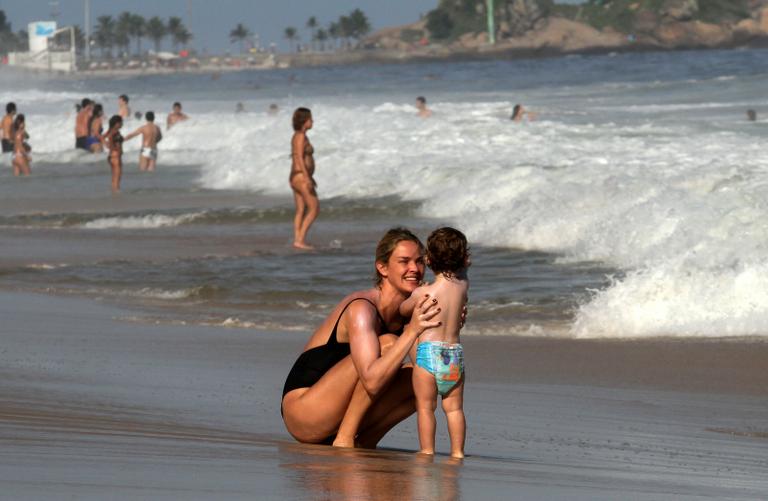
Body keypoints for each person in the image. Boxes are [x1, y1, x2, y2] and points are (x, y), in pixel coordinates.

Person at [281, 227, 442, 448]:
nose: (414, 268)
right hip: (304, 413)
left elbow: (425, 364)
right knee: (387, 344)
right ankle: (345, 439)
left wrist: (446, 321)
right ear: (382, 267)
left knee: (425, 379)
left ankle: (365, 441)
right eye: (404, 261)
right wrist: (412, 331)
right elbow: (372, 381)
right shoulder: (362, 308)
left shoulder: (408, 313)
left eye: (420, 261)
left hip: (336, 415)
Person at [400, 227, 470, 458]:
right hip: (454, 355)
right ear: (464, 258)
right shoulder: (463, 285)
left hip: (428, 354)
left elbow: (403, 309)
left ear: (428, 260)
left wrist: (411, 302)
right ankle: (458, 452)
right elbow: (463, 270)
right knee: (454, 409)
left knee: (425, 408)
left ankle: (427, 450)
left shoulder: (424, 292)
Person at [289, 107, 319, 250]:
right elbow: (299, 157)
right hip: (300, 176)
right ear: (304, 121)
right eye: (310, 119)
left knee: (301, 209)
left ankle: (297, 240)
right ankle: (300, 240)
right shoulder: (300, 136)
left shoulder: (298, 136)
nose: (312, 121)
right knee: (314, 208)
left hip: (297, 176)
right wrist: (307, 177)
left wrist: (310, 177)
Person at [102, 115, 124, 193]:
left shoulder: (110, 130)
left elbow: (102, 137)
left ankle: (114, 191)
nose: (122, 124)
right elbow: (109, 138)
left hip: (111, 156)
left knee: (114, 176)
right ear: (116, 123)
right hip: (116, 156)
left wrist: (107, 145)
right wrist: (112, 147)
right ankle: (116, 192)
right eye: (121, 122)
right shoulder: (115, 132)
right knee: (117, 177)